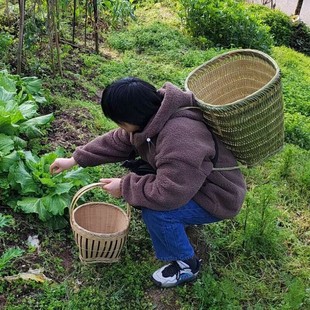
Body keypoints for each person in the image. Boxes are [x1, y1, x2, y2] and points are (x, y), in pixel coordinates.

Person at [50, 77, 246, 288]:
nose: (120, 127)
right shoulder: (154, 116)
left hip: (217, 197)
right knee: (147, 188)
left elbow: (167, 194)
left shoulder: (179, 137)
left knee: (157, 212)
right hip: (194, 184)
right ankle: (182, 221)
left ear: (131, 117)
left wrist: (124, 187)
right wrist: (74, 160)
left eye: (120, 122)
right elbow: (117, 141)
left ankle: (187, 265)